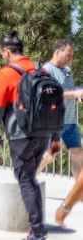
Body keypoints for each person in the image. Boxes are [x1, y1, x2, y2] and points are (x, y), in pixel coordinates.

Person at [0, 31, 61, 240]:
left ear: (5, 51)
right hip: (43, 133)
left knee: (25, 180)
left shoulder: (5, 73)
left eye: (1, 53)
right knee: (31, 179)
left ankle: (38, 232)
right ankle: (37, 230)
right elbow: (56, 104)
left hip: (21, 136)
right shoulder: (41, 69)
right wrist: (55, 136)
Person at [39, 39, 82, 178]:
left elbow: (67, 91)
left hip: (70, 122)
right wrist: (74, 93)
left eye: (72, 55)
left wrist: (78, 95)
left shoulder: (67, 70)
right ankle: (26, 182)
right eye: (68, 54)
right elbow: (51, 96)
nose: (71, 58)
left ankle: (79, 191)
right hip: (53, 122)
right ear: (57, 52)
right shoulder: (46, 71)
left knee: (77, 153)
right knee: (49, 155)